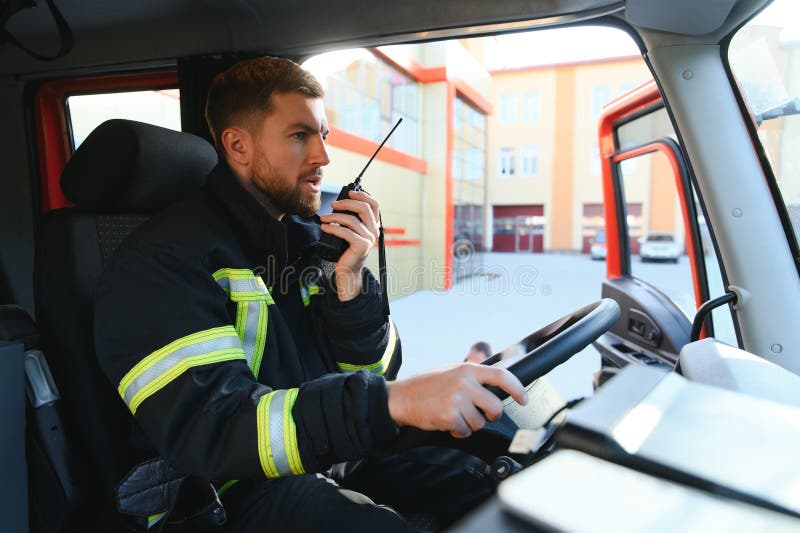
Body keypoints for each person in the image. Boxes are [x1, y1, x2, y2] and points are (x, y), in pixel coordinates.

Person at [93, 56, 527, 532]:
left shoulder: (307, 240)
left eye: (324, 135)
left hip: (323, 456)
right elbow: (214, 429)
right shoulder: (163, 262)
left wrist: (352, 287)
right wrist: (390, 403)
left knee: (490, 476)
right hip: (222, 494)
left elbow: (373, 372)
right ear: (238, 145)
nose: (323, 155)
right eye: (300, 135)